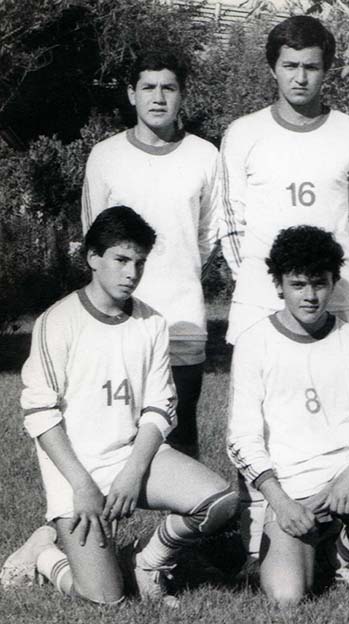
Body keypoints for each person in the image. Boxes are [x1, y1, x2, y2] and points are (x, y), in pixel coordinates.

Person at [1, 207, 239, 605]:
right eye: (121, 260)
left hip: (130, 457)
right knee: (104, 598)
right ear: (93, 258)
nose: (131, 273)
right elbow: (40, 414)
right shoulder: (56, 321)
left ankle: (146, 563)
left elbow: (160, 407)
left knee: (218, 502)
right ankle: (44, 553)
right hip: (76, 470)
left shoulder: (152, 323)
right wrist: (82, 486)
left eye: (139, 263)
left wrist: (132, 473)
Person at [217, 15, 349, 566]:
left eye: (311, 66)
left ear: (327, 70)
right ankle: (252, 540)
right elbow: (231, 223)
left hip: (333, 295)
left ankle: (340, 543)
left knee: (335, 413)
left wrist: (330, 280)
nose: (300, 77)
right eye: (290, 66)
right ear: (273, 68)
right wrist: (268, 286)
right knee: (256, 420)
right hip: (261, 299)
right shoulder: (243, 133)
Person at [226, 226, 349, 606]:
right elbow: (241, 439)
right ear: (278, 285)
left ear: (334, 282)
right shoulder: (254, 343)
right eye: (298, 284)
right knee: (287, 596)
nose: (310, 296)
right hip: (290, 490)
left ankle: (343, 555)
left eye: (320, 284)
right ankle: (314, 547)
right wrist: (281, 503)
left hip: (346, 478)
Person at [81, 50, 221, 458]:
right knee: (113, 433)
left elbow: (209, 235)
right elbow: (95, 236)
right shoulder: (105, 156)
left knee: (180, 431)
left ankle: (187, 501)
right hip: (118, 318)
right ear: (131, 94)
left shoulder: (204, 155)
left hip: (182, 316)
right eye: (148, 87)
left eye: (168, 88)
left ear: (182, 95)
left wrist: (181, 273)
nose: (158, 97)